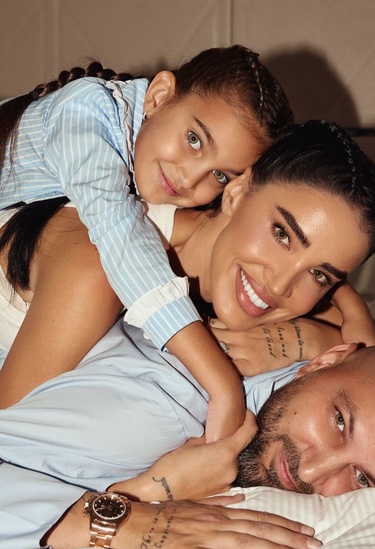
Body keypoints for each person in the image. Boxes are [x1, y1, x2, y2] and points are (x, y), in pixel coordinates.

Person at [0, 120, 375, 430]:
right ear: (237, 193)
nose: (280, 286)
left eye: (319, 274)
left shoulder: (239, 280)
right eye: (282, 234)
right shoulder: (99, 266)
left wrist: (326, 333)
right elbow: (11, 447)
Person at [0, 45, 294, 441]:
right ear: (159, 96)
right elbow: (118, 232)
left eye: (220, 175)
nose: (190, 179)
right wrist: (221, 383)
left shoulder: (148, 172)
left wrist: (347, 312)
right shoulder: (84, 113)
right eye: (194, 139)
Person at [0, 317, 375, 549]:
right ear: (324, 361)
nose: (312, 472)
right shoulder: (165, 408)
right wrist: (135, 513)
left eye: (362, 478)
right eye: (338, 422)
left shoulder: (336, 383)